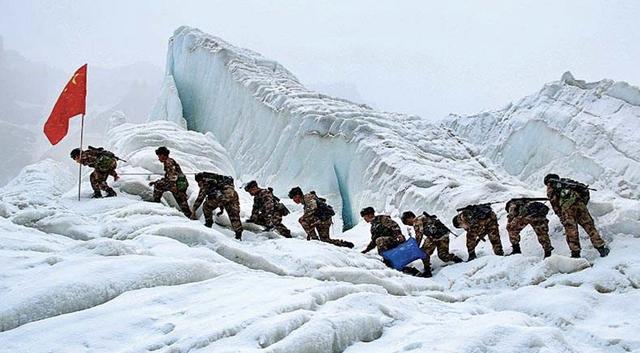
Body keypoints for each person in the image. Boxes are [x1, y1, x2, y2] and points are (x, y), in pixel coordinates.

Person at [544, 174, 609, 258]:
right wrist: (582, 204)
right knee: (590, 227)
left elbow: (555, 204)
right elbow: (584, 191)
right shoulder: (567, 182)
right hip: (580, 205)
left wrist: (561, 216)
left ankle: (575, 254)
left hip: (567, 210)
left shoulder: (552, 187)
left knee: (571, 231)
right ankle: (601, 249)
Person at [401, 211, 462, 277]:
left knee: (424, 253)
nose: (408, 224)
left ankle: (428, 271)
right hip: (440, 236)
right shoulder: (423, 217)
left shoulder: (416, 221)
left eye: (407, 222)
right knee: (442, 255)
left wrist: (415, 246)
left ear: (410, 217)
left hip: (437, 237)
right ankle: (456, 259)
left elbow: (419, 235)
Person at [288, 187, 353, 248]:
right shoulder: (305, 201)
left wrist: (304, 217)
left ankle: (314, 239)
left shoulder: (308, 197)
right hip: (322, 219)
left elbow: (313, 207)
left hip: (323, 219)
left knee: (302, 220)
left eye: (293, 198)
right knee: (325, 240)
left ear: (297, 196)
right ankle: (344, 244)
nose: (294, 200)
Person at [191, 172, 243, 240]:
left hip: (222, 196)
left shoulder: (205, 182)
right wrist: (221, 207)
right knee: (234, 215)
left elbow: (201, 197)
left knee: (206, 206)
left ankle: (208, 223)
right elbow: (224, 197)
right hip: (232, 196)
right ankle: (238, 235)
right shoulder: (219, 180)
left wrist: (194, 209)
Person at [149, 146, 191, 218]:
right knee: (182, 203)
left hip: (177, 184)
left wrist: (173, 186)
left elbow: (173, 176)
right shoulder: (168, 161)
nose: (158, 158)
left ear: (162, 155)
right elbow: (168, 177)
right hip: (180, 184)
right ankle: (189, 216)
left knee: (159, 185)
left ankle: (156, 203)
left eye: (159, 156)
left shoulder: (169, 162)